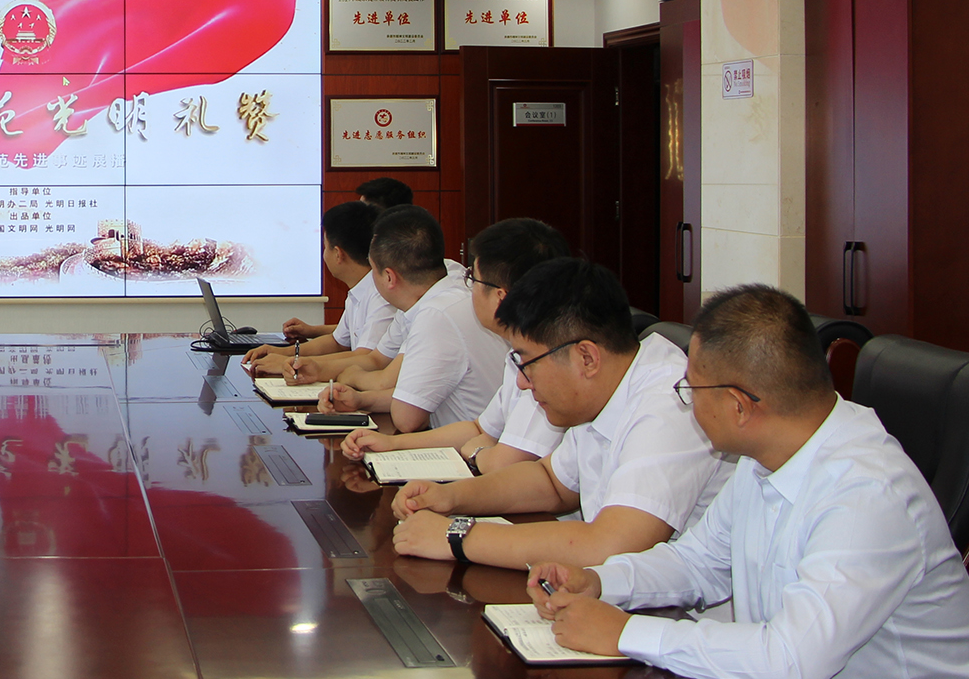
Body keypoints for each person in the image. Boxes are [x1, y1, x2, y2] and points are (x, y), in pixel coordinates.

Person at [529, 285, 969, 679]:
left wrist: (626, 633)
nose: (686, 402)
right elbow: (698, 563)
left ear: (739, 406)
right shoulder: (768, 457)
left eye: (690, 389)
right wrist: (601, 582)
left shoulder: (867, 494)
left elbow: (790, 659)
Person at [386, 258, 731, 570]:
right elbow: (551, 482)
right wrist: (451, 497)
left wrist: (457, 536)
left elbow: (612, 545)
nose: (521, 383)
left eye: (527, 362)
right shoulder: (598, 392)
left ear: (586, 358)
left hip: (674, 614)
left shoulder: (670, 404)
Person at [337, 217, 570, 470]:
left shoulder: (548, 366)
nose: (469, 288)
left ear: (500, 298)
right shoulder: (517, 356)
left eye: (474, 279)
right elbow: (479, 429)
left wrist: (476, 452)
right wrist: (392, 443)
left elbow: (506, 462)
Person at [307, 206, 504, 431]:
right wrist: (361, 400)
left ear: (389, 277)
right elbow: (404, 389)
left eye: (373, 270)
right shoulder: (436, 294)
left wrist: (354, 377)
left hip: (473, 446)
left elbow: (407, 418)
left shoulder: (435, 316)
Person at [249, 201, 394, 365]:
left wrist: (291, 362)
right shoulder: (357, 292)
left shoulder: (381, 296)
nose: (324, 255)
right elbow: (337, 342)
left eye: (325, 247)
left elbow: (365, 357)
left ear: (338, 254)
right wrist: (281, 352)